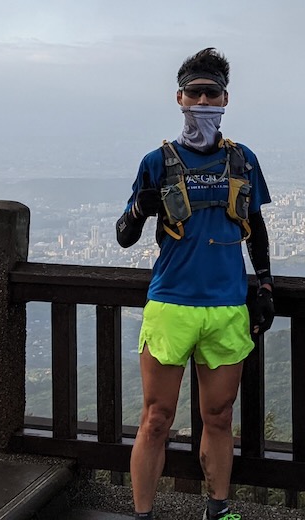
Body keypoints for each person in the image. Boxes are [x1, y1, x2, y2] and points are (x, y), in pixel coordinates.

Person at [115, 47, 275, 520]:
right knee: (156, 419)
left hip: (227, 305)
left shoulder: (242, 160)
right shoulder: (156, 161)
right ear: (179, 98)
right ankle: (143, 514)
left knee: (219, 418)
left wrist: (265, 286)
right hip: (172, 303)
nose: (203, 102)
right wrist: (138, 210)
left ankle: (218, 509)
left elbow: (256, 227)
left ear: (226, 98)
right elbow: (124, 235)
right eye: (195, 93)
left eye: (212, 93)